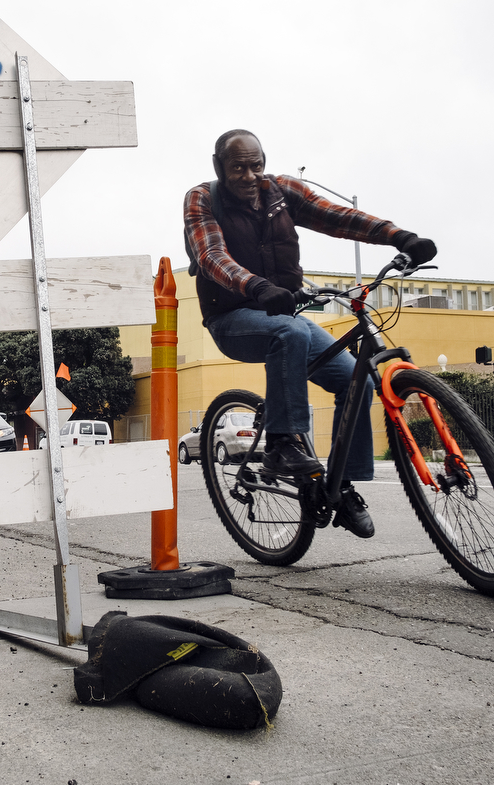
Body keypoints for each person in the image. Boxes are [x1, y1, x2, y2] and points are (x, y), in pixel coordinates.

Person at [184, 129, 437, 538]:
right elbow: (211, 256)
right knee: (290, 332)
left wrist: (398, 236)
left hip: (283, 313)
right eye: (238, 167)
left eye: (256, 165)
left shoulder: (281, 192)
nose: (249, 175)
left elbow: (339, 216)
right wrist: (258, 287)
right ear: (219, 168)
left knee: (355, 378)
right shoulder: (202, 199)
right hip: (232, 318)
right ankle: (283, 443)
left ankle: (341, 485)